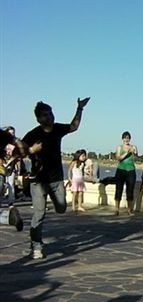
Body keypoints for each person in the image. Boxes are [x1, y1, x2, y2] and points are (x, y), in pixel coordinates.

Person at [22, 98, 90, 259]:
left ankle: (36, 240)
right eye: (45, 115)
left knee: (61, 208)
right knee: (39, 214)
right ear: (39, 119)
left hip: (56, 180)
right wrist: (32, 149)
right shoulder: (33, 134)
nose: (50, 117)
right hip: (38, 182)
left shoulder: (58, 129)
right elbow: (21, 151)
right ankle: (36, 245)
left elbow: (73, 126)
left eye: (51, 113)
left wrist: (80, 108)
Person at [0, 127, 29, 231]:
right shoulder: (3, 136)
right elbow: (24, 151)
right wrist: (16, 140)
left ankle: (8, 218)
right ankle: (8, 218)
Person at [114, 131, 138, 215]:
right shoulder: (119, 147)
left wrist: (135, 152)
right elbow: (118, 158)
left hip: (131, 170)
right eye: (125, 138)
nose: (126, 140)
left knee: (130, 190)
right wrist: (127, 152)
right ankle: (117, 209)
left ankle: (129, 210)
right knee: (118, 189)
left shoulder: (133, 146)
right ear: (122, 139)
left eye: (128, 138)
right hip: (121, 170)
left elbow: (136, 157)